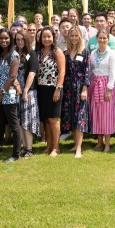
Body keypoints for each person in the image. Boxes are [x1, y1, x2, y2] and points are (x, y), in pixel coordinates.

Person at [35, 27, 67, 156]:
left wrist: (58, 89)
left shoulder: (57, 52)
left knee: (53, 119)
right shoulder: (38, 52)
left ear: (53, 37)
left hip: (54, 88)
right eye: (44, 36)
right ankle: (48, 146)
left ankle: (56, 147)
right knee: (46, 120)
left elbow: (62, 72)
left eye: (49, 36)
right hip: (41, 89)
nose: (46, 39)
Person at [60, 27, 91, 157]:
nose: (74, 38)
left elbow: (87, 72)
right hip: (68, 87)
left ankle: (79, 149)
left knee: (79, 117)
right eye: (71, 35)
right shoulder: (65, 53)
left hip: (79, 87)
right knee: (71, 116)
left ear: (80, 37)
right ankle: (75, 144)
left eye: (76, 36)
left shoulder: (84, 52)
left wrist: (84, 89)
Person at [0, 29, 22, 162]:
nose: (3, 41)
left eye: (6, 38)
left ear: (11, 39)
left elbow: (12, 77)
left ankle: (16, 154)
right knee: (0, 122)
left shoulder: (14, 55)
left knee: (13, 124)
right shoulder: (0, 55)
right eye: (1, 38)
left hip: (9, 95)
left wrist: (1, 94)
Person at [14, 31, 41, 158]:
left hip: (28, 92)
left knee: (27, 121)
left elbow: (32, 73)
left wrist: (25, 91)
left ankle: (29, 149)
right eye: (17, 39)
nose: (20, 42)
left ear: (26, 40)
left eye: (22, 39)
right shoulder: (14, 53)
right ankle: (24, 147)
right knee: (19, 121)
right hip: (16, 92)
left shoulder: (32, 53)